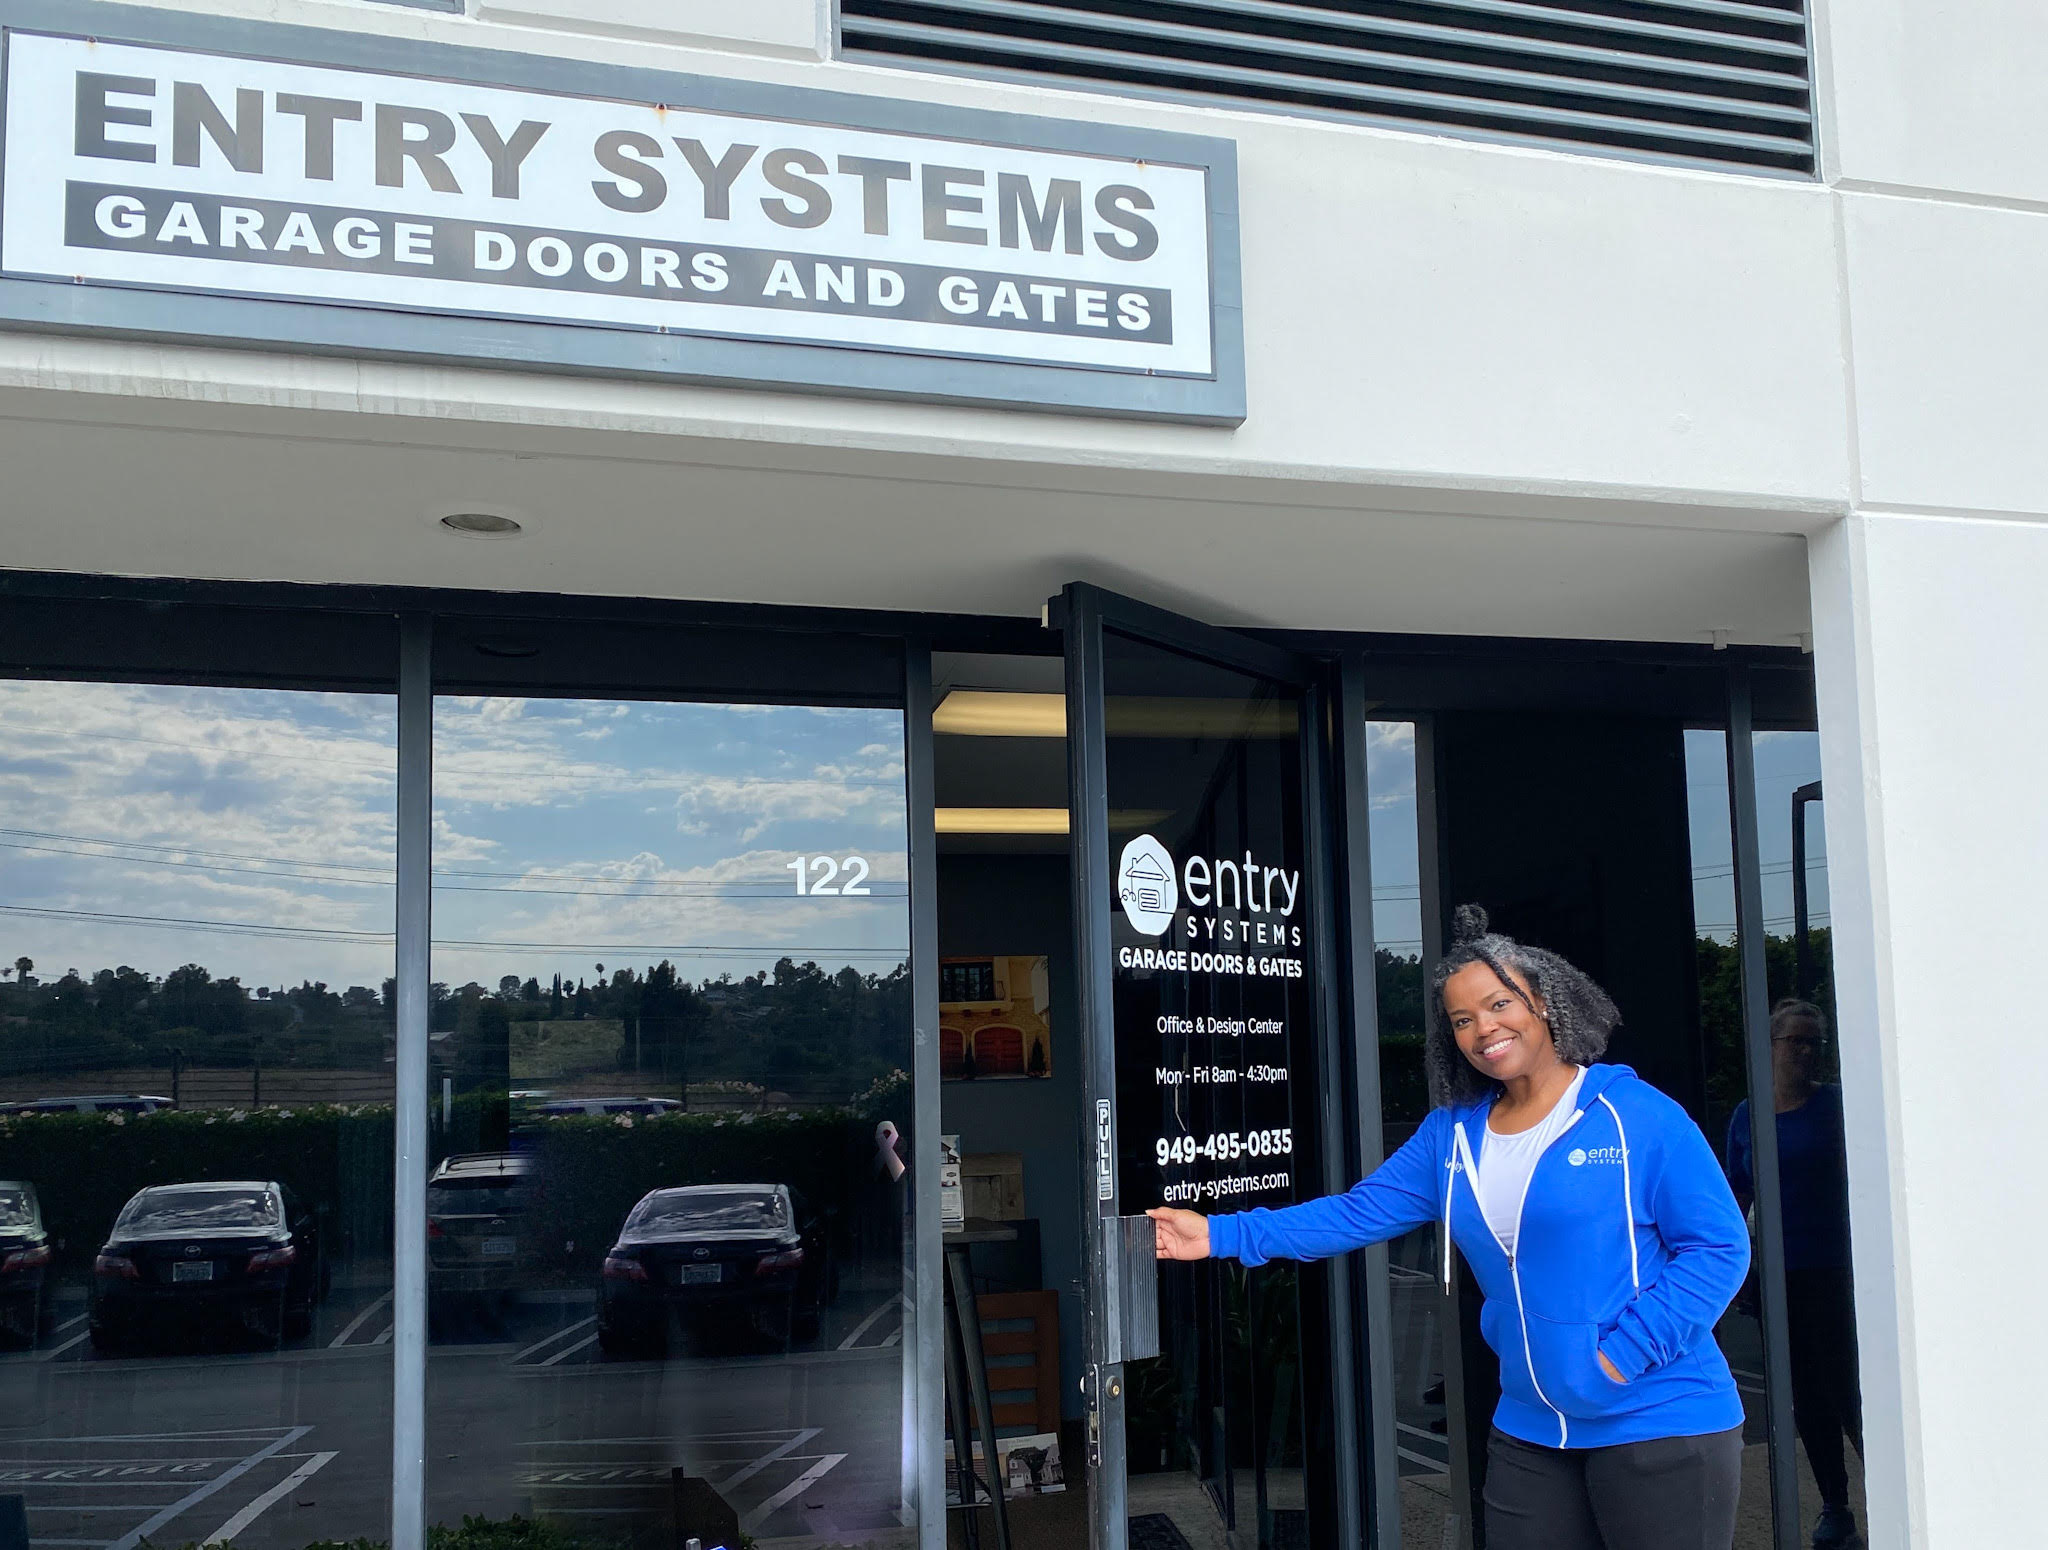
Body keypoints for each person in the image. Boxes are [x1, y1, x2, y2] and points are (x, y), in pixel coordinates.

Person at [1149, 906, 1751, 1550]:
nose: (1482, 1029)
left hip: (1657, 1417)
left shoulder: (1635, 1115)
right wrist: (1219, 1234)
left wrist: (1619, 1358)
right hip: (1532, 1426)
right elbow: (1357, 1212)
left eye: (1499, 1004)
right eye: (1462, 1020)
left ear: (1544, 1002)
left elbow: (1719, 1249)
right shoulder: (1453, 1136)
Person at [1728, 999, 1862, 1549]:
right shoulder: (1748, 1114)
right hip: (1781, 1280)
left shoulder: (1836, 1107)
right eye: (1796, 1041)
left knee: (1851, 1393)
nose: (1806, 1052)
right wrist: (1739, 1270)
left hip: (1839, 1273)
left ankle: (1894, 1495)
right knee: (1806, 1398)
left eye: (1815, 1042)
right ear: (1771, 1046)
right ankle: (1837, 1508)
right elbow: (1737, 1194)